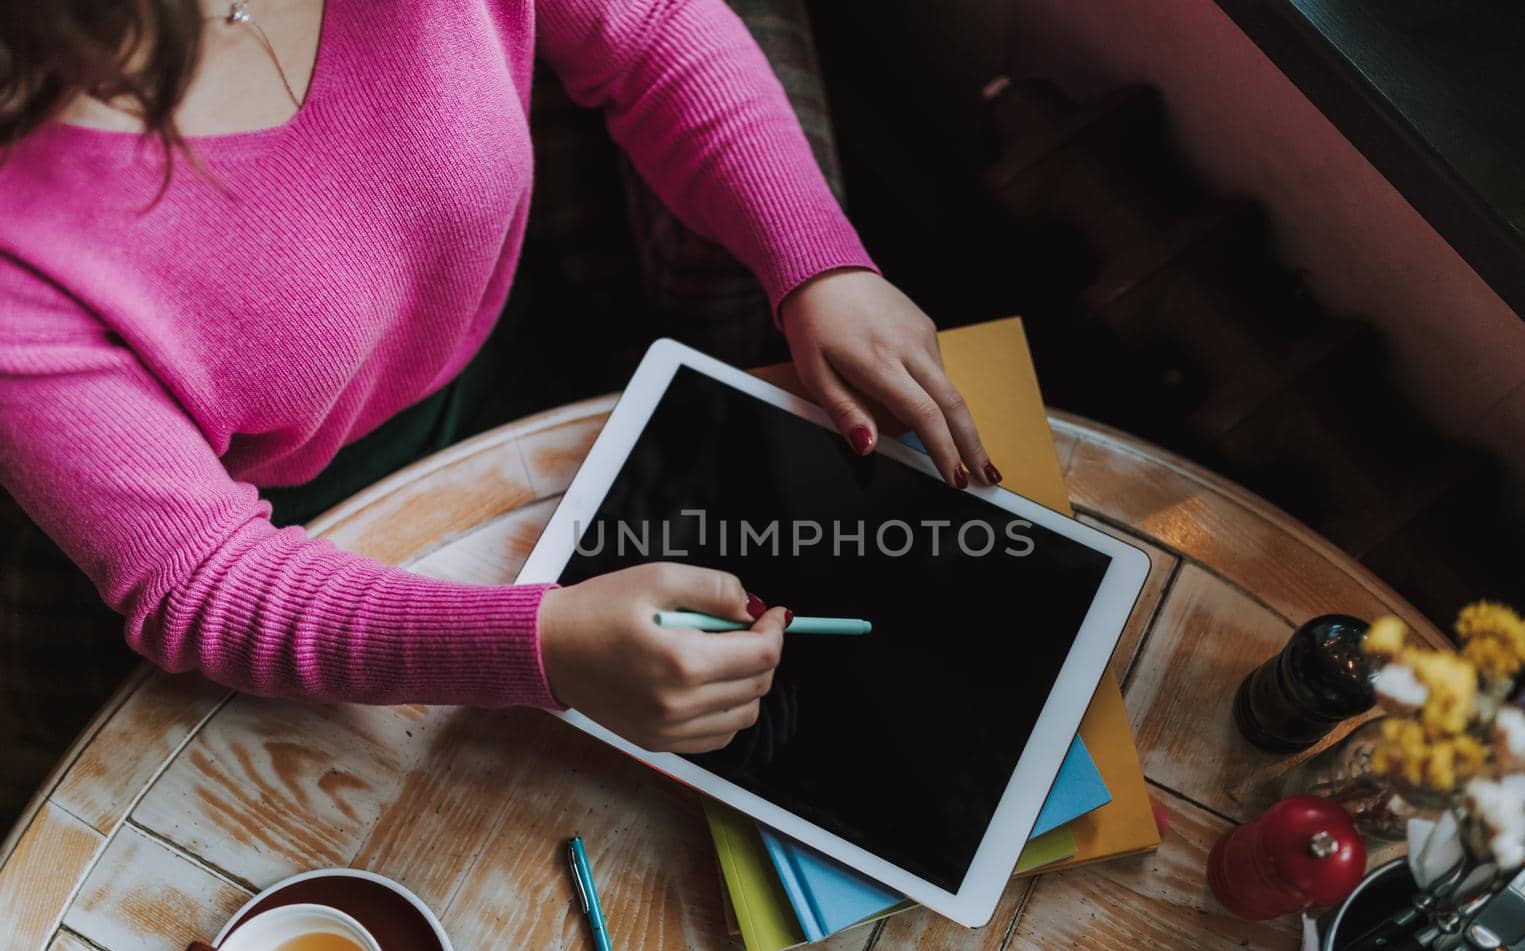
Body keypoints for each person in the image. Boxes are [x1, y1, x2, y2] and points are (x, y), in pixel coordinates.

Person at [0, 0, 999, 755]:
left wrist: (818, 260)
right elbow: (203, 579)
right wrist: (544, 646)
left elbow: (649, 29)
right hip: (327, 543)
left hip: (551, 367)